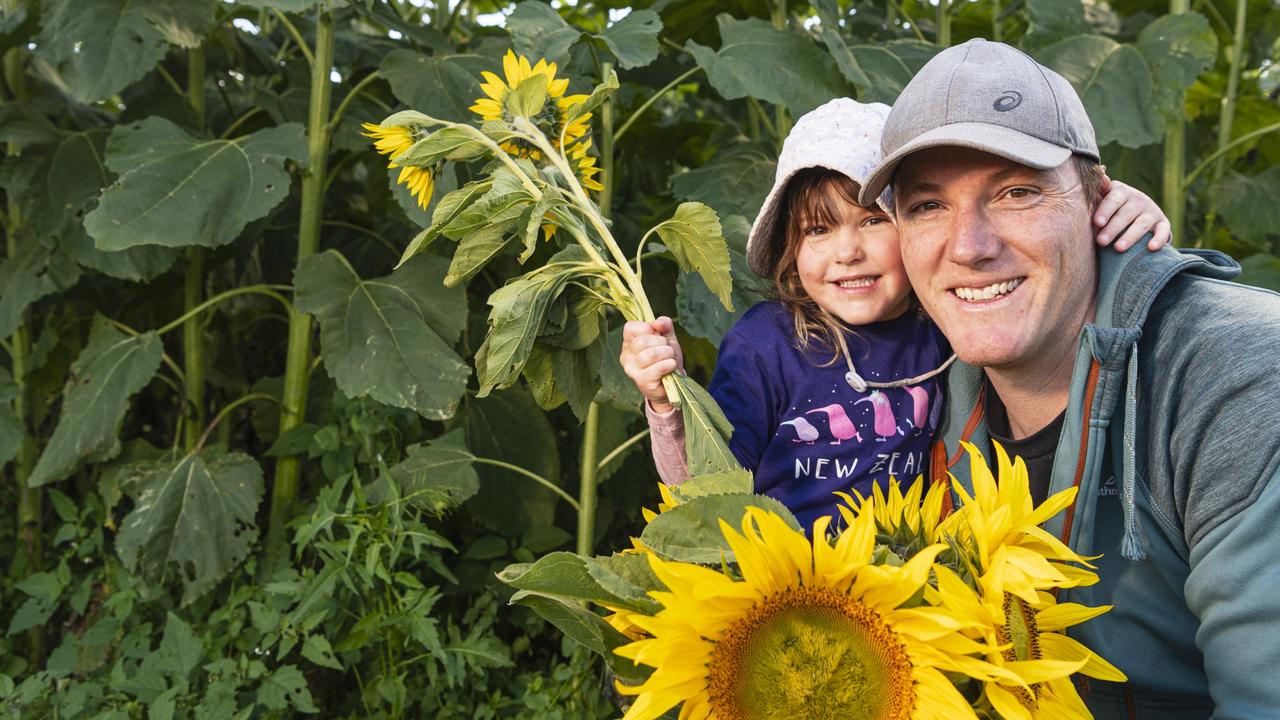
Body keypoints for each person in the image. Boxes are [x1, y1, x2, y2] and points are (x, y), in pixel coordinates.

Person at [858, 38, 1280, 718]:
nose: (968, 246)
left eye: (1017, 191)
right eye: (928, 206)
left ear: (1099, 203)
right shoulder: (924, 387)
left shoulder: (1241, 379)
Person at [620, 98, 1169, 530]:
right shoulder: (767, 344)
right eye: (818, 230)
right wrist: (668, 403)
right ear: (792, 247)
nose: (846, 252)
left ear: (916, 229)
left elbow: (1050, 281)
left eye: (871, 221)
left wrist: (1114, 211)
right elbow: (704, 485)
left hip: (903, 591)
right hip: (780, 587)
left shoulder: (949, 323)